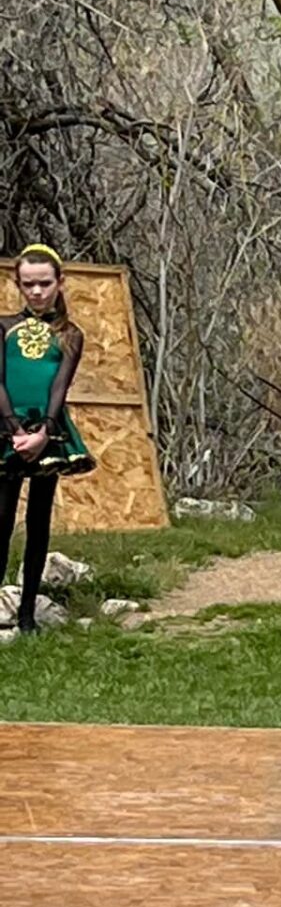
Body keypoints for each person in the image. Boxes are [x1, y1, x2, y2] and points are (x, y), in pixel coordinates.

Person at [0, 246, 94, 634]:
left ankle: (27, 615)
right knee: (1, 520)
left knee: (39, 522)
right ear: (18, 285)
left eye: (44, 283)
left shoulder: (71, 334)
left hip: (47, 431)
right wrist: (14, 429)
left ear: (59, 283)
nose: (37, 292)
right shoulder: (3, 326)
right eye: (28, 285)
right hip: (7, 428)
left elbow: (60, 385)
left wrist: (44, 432)